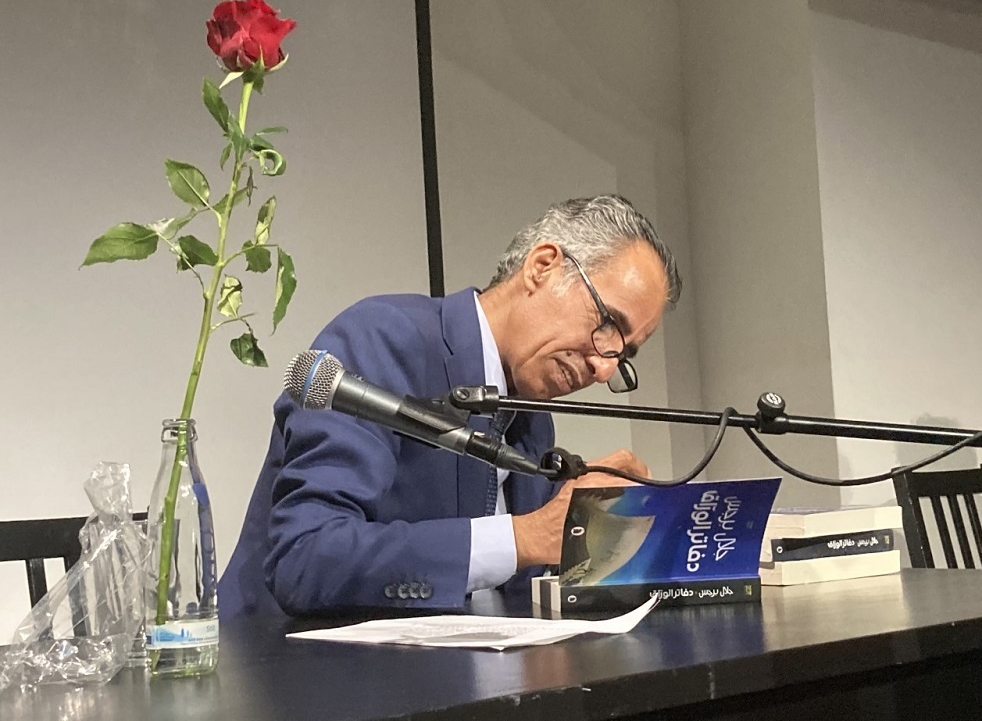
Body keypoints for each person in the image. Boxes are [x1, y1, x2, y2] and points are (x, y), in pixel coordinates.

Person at [219, 194, 682, 618]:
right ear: (542, 267)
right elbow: (305, 557)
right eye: (607, 325)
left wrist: (590, 537)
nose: (603, 370)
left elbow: (505, 580)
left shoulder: (532, 416)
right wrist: (527, 536)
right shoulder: (382, 338)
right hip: (291, 677)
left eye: (622, 355)